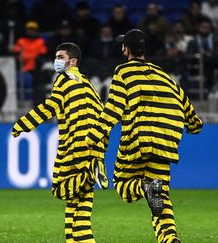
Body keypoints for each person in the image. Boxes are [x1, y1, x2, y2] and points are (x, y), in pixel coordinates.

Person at [86, 29, 203, 243]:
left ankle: (144, 187)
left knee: (123, 187)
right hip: (166, 143)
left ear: (125, 49)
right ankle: (169, 238)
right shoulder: (164, 75)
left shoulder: (123, 72)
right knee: (160, 196)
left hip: (138, 140)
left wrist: (92, 137)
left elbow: (113, 109)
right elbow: (189, 110)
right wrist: (194, 126)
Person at [11, 42, 108, 243]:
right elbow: (102, 113)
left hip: (74, 145)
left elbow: (50, 106)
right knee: (80, 205)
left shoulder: (63, 79)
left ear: (72, 61)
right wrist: (100, 146)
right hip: (94, 145)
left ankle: (89, 172)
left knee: (59, 187)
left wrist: (23, 124)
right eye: (56, 57)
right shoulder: (88, 83)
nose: (57, 61)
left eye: (61, 57)